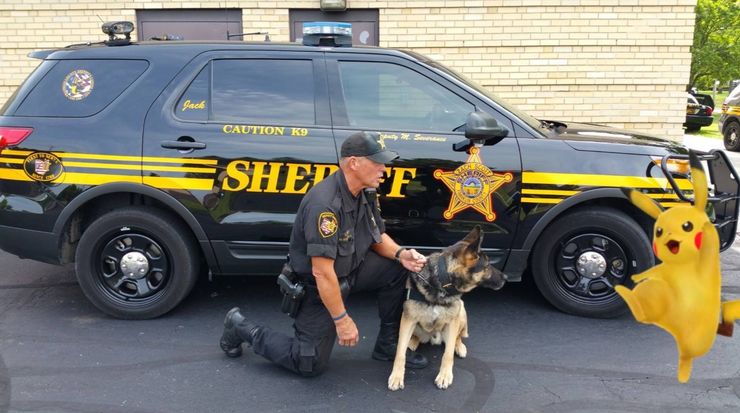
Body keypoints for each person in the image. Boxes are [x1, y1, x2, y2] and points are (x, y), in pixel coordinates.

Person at [219, 131, 429, 376]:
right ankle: (241, 327)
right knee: (308, 363)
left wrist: (400, 254)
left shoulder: (365, 191)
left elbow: (376, 235)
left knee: (396, 268)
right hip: (319, 286)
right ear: (354, 163)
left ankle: (388, 345)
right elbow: (321, 272)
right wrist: (342, 320)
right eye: (377, 162)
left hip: (351, 269)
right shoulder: (325, 206)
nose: (384, 168)